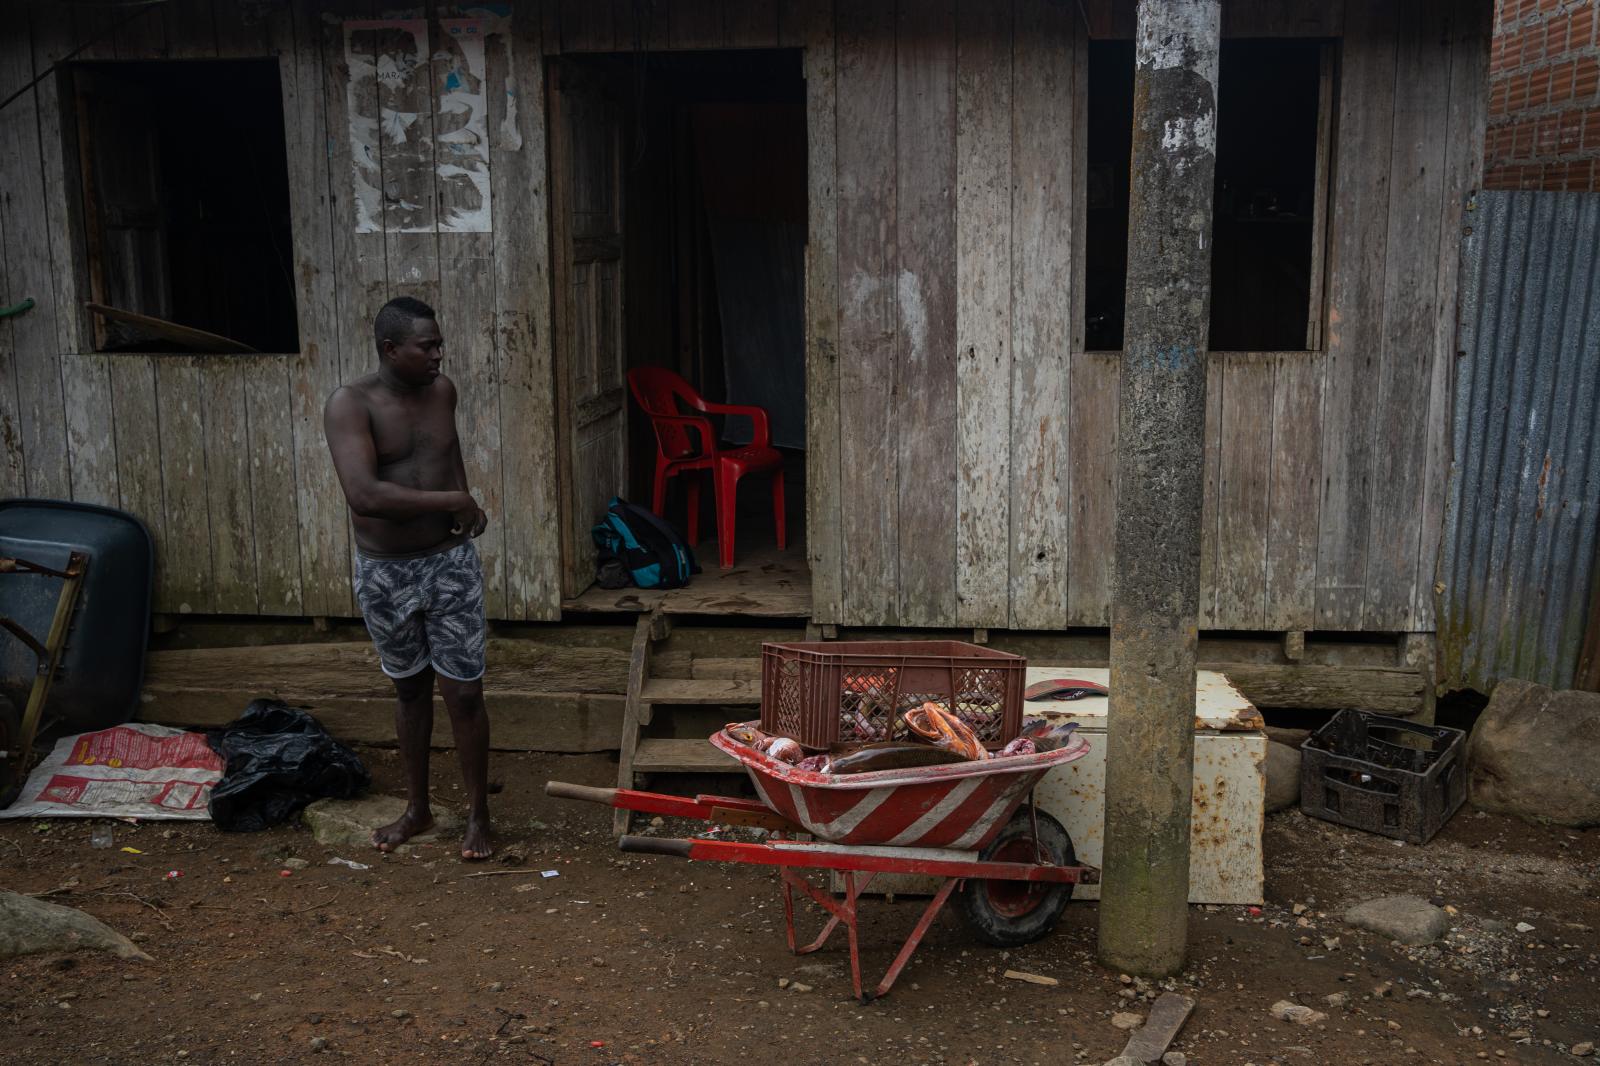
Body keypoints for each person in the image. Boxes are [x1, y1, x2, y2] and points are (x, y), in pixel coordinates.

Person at [323, 296, 493, 860]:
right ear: (391, 349)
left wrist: (464, 511)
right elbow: (364, 495)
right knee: (410, 688)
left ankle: (478, 816)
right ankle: (417, 809)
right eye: (428, 346)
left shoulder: (441, 391)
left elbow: (449, 453)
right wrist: (455, 498)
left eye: (440, 344)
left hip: (449, 562)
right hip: (386, 572)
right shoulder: (350, 405)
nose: (440, 355)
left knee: (465, 693)